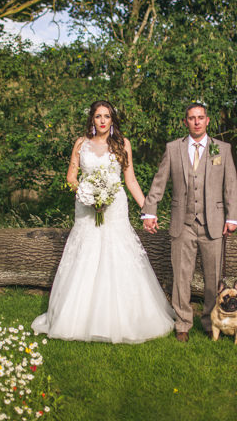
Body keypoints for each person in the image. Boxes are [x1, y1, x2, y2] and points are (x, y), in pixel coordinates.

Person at [31, 101, 174, 343]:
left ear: (112, 119)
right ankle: (78, 319)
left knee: (118, 254)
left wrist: (147, 210)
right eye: (98, 116)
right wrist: (88, 193)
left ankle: (124, 319)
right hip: (86, 208)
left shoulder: (123, 144)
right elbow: (71, 177)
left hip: (115, 207)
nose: (102, 121)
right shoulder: (80, 143)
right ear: (92, 119)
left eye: (107, 116)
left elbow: (130, 181)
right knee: (85, 254)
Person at [142, 103, 237, 342]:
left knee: (213, 278)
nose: (196, 122)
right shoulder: (173, 148)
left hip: (213, 223)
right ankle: (183, 323)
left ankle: (209, 321)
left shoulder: (221, 149)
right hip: (182, 223)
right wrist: (150, 211)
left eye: (200, 118)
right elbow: (159, 182)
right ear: (185, 122)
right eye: (191, 118)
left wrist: (232, 216)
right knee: (181, 277)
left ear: (208, 121)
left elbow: (231, 185)